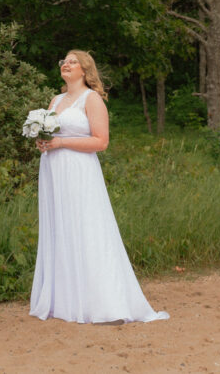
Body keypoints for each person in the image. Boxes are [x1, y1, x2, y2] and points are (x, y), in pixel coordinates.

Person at [30, 50, 169, 324]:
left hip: (80, 173)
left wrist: (60, 143)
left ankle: (102, 301)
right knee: (61, 228)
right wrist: (43, 141)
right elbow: (51, 133)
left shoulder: (91, 99)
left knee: (86, 227)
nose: (66, 65)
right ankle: (64, 300)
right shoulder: (55, 100)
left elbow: (101, 141)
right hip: (53, 172)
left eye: (72, 62)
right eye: (63, 62)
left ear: (85, 70)